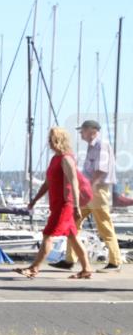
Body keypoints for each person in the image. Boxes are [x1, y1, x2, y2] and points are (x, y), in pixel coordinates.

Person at [14, 127, 92, 279]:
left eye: (51, 140)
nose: (49, 143)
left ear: (58, 140)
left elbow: (74, 183)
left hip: (65, 205)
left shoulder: (66, 159)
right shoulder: (55, 159)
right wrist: (34, 200)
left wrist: (76, 206)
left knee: (48, 235)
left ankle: (34, 268)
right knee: (73, 237)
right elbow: (48, 183)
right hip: (56, 204)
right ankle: (87, 269)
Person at [51, 119, 123, 272]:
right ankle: (70, 259)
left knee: (104, 226)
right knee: (73, 222)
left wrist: (88, 187)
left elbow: (101, 170)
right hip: (90, 191)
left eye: (82, 130)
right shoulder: (93, 146)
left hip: (97, 191)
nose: (80, 133)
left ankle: (115, 262)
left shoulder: (101, 145)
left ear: (92, 130)